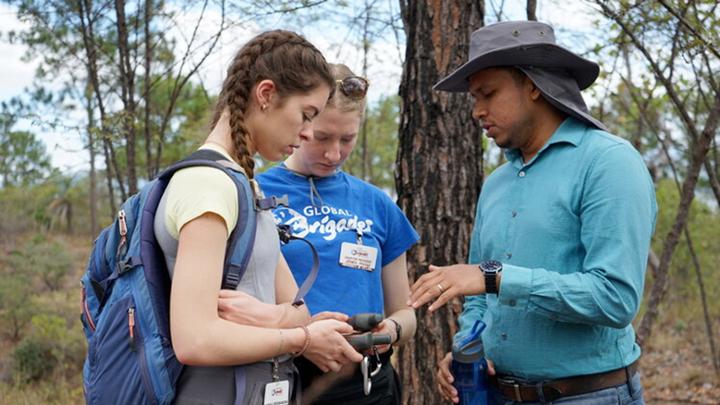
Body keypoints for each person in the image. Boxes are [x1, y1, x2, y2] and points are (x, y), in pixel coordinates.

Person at [408, 21, 656, 404]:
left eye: (488, 93)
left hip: (588, 395)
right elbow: (477, 296)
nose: (477, 111)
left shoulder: (608, 162)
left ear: (534, 85)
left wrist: (496, 278)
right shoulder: (496, 183)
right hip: (499, 393)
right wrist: (468, 349)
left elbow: (614, 299)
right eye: (474, 98)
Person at [154, 30, 363, 405]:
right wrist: (300, 339)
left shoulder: (247, 188)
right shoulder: (207, 186)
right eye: (306, 115)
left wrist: (276, 319)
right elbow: (195, 339)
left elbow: (300, 312)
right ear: (265, 95)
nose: (308, 132)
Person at [250, 63, 419, 404]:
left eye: (347, 139)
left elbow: (405, 311)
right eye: (322, 138)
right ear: (301, 123)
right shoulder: (254, 193)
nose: (334, 153)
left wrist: (391, 331)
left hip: (367, 383)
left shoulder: (376, 203)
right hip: (284, 377)